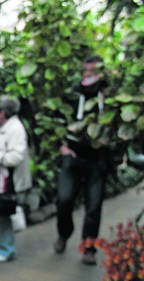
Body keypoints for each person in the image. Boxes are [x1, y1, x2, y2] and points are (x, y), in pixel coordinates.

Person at [53, 55, 111, 265]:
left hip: (97, 159)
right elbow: (57, 119)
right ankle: (63, 233)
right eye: (85, 71)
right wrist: (61, 145)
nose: (88, 75)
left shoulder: (109, 94)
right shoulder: (73, 92)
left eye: (92, 72)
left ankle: (89, 249)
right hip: (73, 156)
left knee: (94, 207)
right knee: (64, 199)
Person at [0, 94, 32, 262]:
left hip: (6, 181)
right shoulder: (3, 127)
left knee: (2, 215)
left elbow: (16, 156)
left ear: (4, 112)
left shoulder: (15, 129)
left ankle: (7, 249)